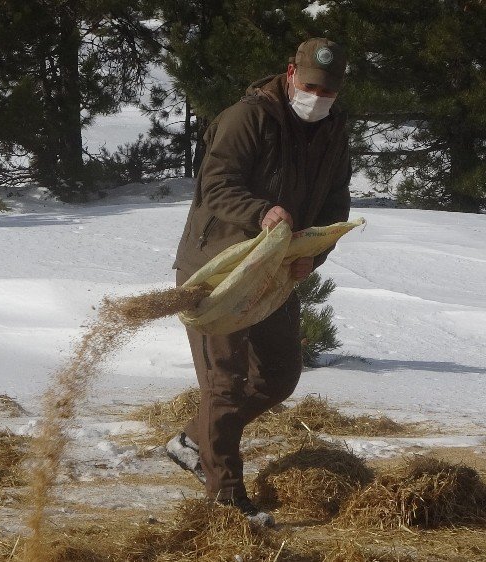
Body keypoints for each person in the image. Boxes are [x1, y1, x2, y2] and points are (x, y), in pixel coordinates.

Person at [168, 38, 352, 526]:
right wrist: (260, 211)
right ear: (291, 73)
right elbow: (216, 185)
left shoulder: (334, 131)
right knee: (224, 383)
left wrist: (314, 256)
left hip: (275, 271)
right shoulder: (247, 117)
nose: (319, 97)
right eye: (311, 86)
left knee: (277, 376)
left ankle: (193, 440)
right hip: (218, 267)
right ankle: (227, 500)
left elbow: (335, 205)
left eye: (328, 91)